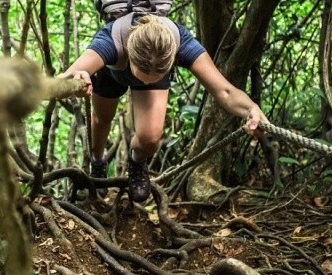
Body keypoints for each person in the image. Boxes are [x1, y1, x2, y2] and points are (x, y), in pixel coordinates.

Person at [60, 13, 268, 203]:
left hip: (150, 68)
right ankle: (97, 164)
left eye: (155, 77)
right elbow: (62, 81)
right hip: (112, 71)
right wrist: (77, 82)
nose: (145, 80)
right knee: (102, 119)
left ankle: (137, 162)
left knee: (150, 139)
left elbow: (226, 92)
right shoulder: (109, 42)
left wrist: (251, 108)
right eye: (142, 76)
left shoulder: (182, 44)